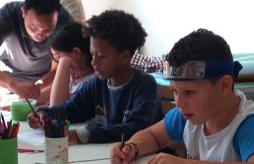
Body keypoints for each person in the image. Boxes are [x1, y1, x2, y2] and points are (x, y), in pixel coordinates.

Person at [110, 29, 254, 164]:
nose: (179, 102)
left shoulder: (251, 123)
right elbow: (153, 136)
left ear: (224, 85)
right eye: (175, 91)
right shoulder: (189, 116)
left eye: (189, 92)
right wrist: (131, 147)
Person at [28, 9, 161, 144]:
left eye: (101, 56)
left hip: (144, 160)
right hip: (108, 156)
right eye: (92, 54)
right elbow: (70, 109)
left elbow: (136, 129)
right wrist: (44, 114)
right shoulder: (97, 83)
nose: (94, 62)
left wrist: (85, 134)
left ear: (125, 56)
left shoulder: (145, 85)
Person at [0, 0, 73, 100]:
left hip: (46, 84)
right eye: (33, 27)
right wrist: (13, 84)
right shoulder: (8, 15)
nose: (40, 34)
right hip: (8, 81)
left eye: (48, 29)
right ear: (23, 12)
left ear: (57, 17)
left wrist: (35, 89)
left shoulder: (64, 23)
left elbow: (60, 70)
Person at [41, 21, 94, 105]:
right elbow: (54, 90)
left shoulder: (92, 82)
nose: (59, 64)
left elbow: (56, 111)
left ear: (76, 52)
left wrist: (64, 62)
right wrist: (27, 100)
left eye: (59, 58)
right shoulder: (77, 78)